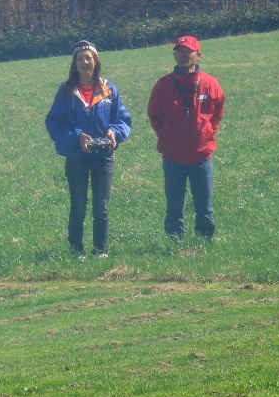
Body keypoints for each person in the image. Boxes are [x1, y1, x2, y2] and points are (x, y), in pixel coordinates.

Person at [45, 40, 133, 260]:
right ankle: (76, 251)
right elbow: (55, 124)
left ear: (96, 61)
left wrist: (114, 133)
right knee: (78, 206)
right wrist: (77, 137)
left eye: (88, 58)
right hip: (77, 158)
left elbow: (122, 120)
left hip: (103, 157)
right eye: (80, 59)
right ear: (74, 64)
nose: (84, 62)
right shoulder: (66, 92)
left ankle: (101, 250)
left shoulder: (109, 90)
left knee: (101, 207)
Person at [147, 35, 225, 241]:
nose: (184, 56)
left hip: (202, 157)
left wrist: (208, 132)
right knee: (174, 207)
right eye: (179, 52)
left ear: (198, 55)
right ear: (174, 55)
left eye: (188, 52)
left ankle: (204, 242)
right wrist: (167, 135)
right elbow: (154, 115)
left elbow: (217, 111)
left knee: (205, 207)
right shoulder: (163, 85)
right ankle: (175, 243)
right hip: (173, 158)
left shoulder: (209, 83)